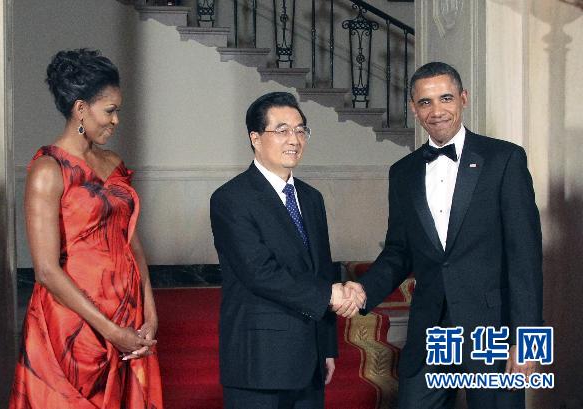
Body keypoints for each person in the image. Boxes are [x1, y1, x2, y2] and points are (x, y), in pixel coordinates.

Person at [338, 62, 543, 409]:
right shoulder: (402, 172)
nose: (437, 111)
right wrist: (363, 290)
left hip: (493, 330)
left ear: (463, 99)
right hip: (430, 328)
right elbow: (399, 251)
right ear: (414, 110)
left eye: (445, 98)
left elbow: (524, 256)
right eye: (425, 102)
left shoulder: (504, 159)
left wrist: (527, 342)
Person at [9, 49, 163, 409]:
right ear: (80, 109)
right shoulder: (48, 170)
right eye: (109, 110)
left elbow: (132, 242)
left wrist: (150, 309)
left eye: (118, 110)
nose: (116, 120)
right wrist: (110, 332)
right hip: (74, 323)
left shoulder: (114, 163)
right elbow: (46, 270)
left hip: (128, 312)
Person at [210, 92, 358, 409]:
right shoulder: (231, 198)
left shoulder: (312, 198)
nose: (294, 139)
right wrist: (330, 296)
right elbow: (259, 273)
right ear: (255, 137)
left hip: (310, 359)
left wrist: (327, 346)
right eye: (282, 130)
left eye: (300, 130)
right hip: (260, 360)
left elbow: (322, 270)